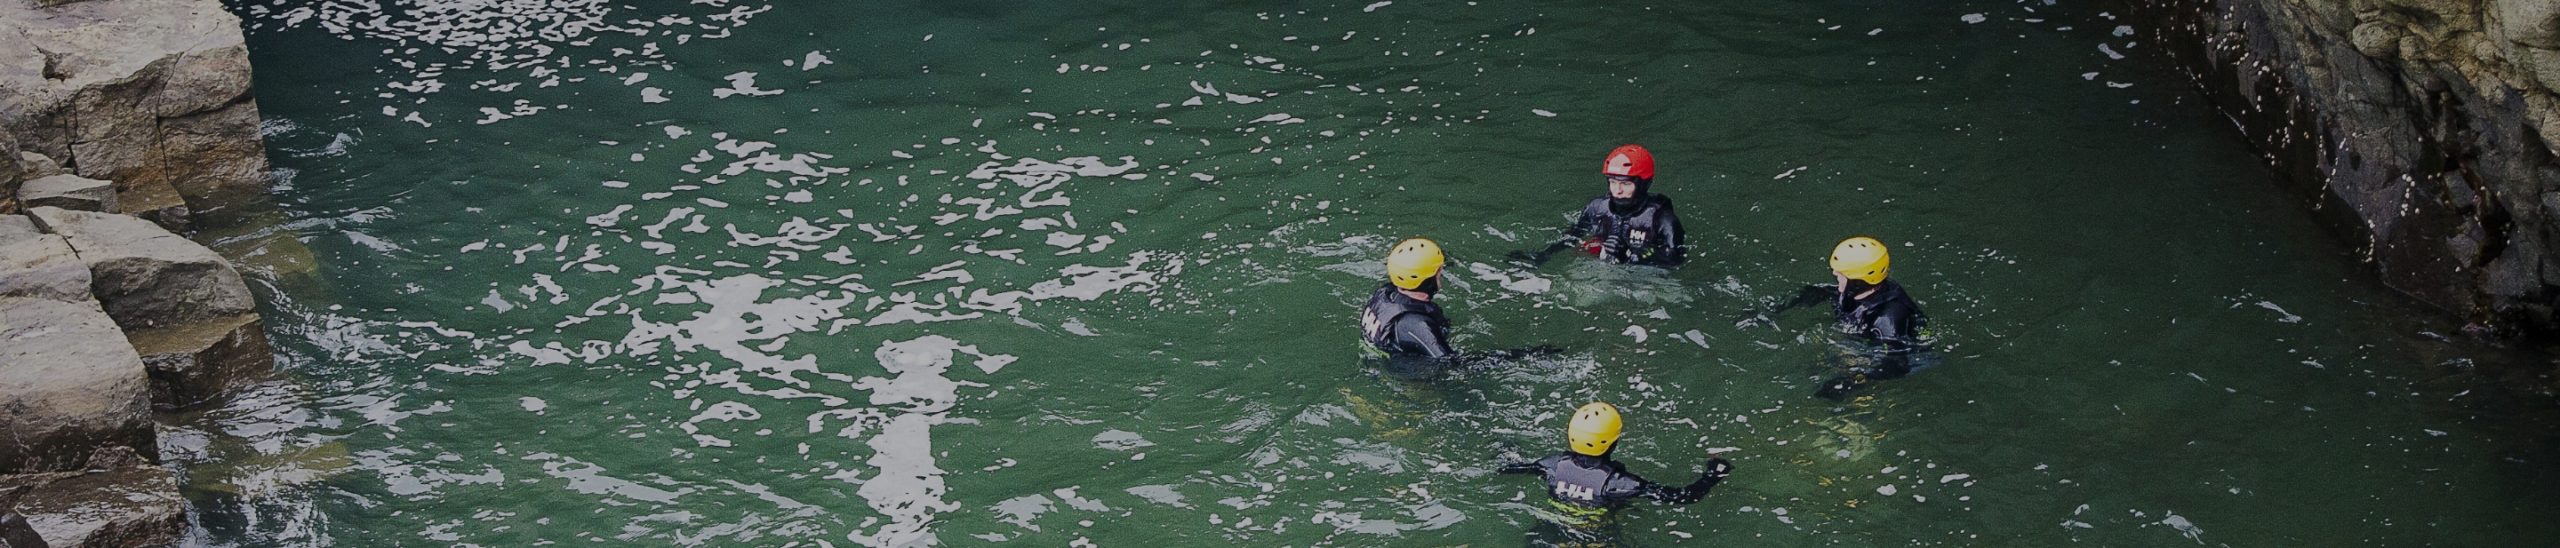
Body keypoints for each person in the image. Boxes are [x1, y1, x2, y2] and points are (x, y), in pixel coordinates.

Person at [1498, 402, 1732, 543]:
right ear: (1613, 442)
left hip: (1549, 536)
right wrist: (1714, 474)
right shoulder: (1620, 484)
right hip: (1597, 540)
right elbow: (1684, 497)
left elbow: (1508, 467)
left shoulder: (1551, 465)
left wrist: (1505, 448)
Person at [1360, 237, 1557, 379]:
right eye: (1439, 271)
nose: (1441, 274)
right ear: (1428, 279)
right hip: (1409, 382)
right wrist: (1521, 355)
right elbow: (1451, 364)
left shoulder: (1386, 294)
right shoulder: (1416, 324)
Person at [1772, 236, 1931, 400]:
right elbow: (1824, 293)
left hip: (1904, 360)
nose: (1834, 273)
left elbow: (1897, 365)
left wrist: (1853, 382)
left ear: (1858, 282)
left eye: (1841, 273)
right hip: (1867, 345)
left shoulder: (1887, 319)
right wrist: (1777, 308)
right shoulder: (1864, 290)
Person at [1511, 144, 1687, 267]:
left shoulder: (1662, 219)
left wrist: (1635, 254)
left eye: (1625, 184)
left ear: (1643, 184)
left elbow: (1676, 259)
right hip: (1602, 265)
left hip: (1645, 274)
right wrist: (1544, 255)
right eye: (1612, 182)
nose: (1617, 191)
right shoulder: (1597, 208)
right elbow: (1573, 235)